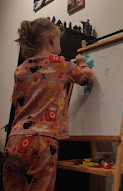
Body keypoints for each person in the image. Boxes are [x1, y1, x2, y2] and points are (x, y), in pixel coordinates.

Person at [3, 18, 94, 191]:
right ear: (52, 38)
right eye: (59, 40)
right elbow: (86, 78)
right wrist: (82, 63)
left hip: (15, 139)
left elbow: (17, 102)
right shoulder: (61, 64)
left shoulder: (19, 70)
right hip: (42, 141)